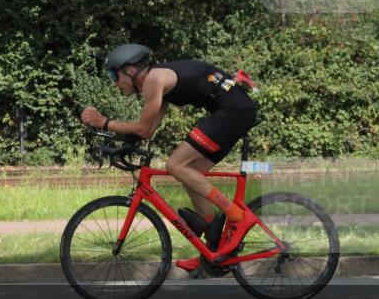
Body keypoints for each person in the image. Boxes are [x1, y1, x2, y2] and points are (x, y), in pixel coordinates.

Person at [80, 43, 257, 276]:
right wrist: (125, 142)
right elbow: (148, 130)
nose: (115, 83)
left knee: (175, 165)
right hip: (236, 110)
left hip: (233, 110)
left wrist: (103, 122)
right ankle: (212, 251)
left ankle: (236, 215)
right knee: (190, 173)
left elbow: (142, 129)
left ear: (130, 70)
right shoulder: (158, 83)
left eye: (115, 75)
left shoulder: (154, 80)